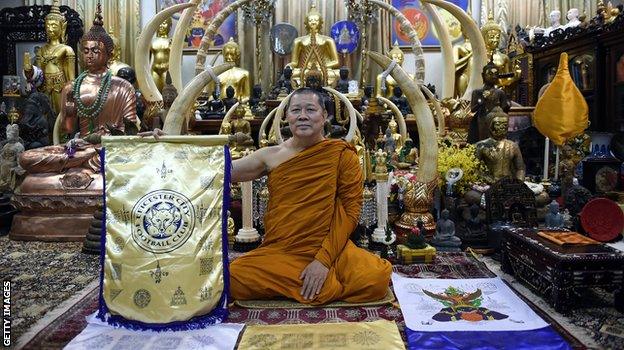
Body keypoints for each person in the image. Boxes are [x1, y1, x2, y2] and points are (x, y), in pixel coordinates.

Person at [144, 87, 392, 304]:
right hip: (284, 250)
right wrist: (171, 145)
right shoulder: (271, 155)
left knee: (376, 278)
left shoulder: (341, 154)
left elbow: (350, 212)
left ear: (325, 116)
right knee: (233, 277)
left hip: (330, 248)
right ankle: (304, 284)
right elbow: (220, 170)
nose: (302, 116)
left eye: (310, 110)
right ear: (287, 117)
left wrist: (323, 261)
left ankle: (306, 282)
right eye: (296, 110)